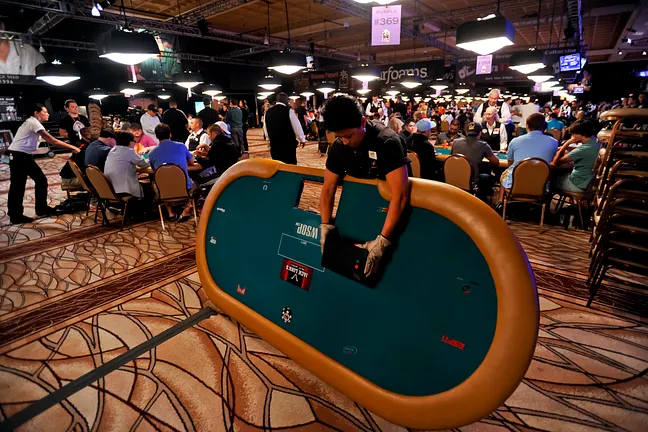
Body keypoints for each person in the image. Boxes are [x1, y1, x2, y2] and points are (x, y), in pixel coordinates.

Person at [320, 95, 410, 277]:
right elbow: (328, 188)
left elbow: (400, 196)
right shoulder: (338, 147)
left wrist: (382, 242)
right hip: (360, 210)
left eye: (348, 136)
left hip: (393, 215)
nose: (344, 141)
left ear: (362, 121)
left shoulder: (387, 142)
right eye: (339, 136)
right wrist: (325, 226)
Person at [8, 103, 81, 224]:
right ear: (36, 113)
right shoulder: (33, 122)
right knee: (21, 184)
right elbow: (53, 140)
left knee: (31, 182)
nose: (48, 114)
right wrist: (73, 147)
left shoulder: (32, 122)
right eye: (45, 112)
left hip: (20, 155)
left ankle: (37, 209)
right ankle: (20, 214)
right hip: (20, 156)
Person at [498, 113, 558, 203]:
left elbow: (510, 163)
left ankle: (500, 202)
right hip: (540, 187)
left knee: (505, 173)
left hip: (514, 185)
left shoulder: (515, 141)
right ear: (544, 126)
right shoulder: (554, 142)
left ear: (527, 125)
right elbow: (552, 159)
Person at [148, 124, 196, 222]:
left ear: (156, 136)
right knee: (196, 184)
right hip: (184, 186)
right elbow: (191, 162)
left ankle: (170, 212)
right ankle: (187, 209)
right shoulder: (181, 146)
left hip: (164, 189)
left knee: (159, 182)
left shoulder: (151, 153)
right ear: (170, 134)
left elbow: (155, 172)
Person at [451, 122, 500, 195]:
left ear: (466, 132)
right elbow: (496, 162)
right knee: (488, 176)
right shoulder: (483, 145)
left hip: (453, 179)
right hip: (472, 181)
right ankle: (483, 200)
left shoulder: (455, 142)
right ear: (480, 133)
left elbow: (451, 157)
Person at [552, 119, 600, 192]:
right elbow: (582, 150)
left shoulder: (583, 149)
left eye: (573, 134)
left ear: (578, 135)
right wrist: (566, 148)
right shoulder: (595, 141)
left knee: (550, 180)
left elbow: (556, 162)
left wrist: (566, 143)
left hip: (578, 184)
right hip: (589, 182)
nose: (572, 136)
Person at [104, 131, 150, 200]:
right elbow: (143, 163)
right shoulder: (128, 151)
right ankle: (142, 210)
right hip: (124, 189)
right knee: (148, 188)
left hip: (111, 187)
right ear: (130, 142)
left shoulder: (112, 150)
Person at [264, 92, 307, 164]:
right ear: (286, 100)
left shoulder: (268, 112)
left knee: (277, 166)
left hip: (274, 145)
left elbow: (265, 127)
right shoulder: (289, 111)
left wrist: (268, 139)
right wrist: (302, 139)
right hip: (288, 146)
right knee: (290, 166)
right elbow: (296, 126)